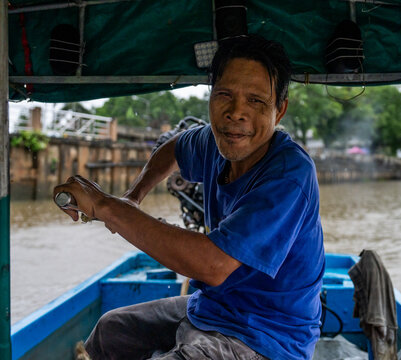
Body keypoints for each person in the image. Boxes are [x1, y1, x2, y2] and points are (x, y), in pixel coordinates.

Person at [54, 34, 325, 360]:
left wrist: (108, 207)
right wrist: (133, 197)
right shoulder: (215, 141)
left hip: (270, 335)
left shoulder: (289, 175)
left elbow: (212, 265)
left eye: (255, 101)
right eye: (225, 95)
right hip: (214, 306)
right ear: (210, 98)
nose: (236, 113)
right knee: (112, 331)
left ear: (279, 111)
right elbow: (174, 149)